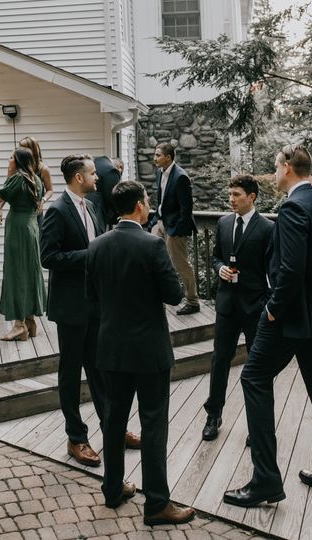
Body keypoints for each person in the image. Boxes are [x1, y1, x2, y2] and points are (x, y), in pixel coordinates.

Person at [223, 145, 312, 508]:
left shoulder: (294, 206)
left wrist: (274, 310)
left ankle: (265, 480)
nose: (273, 173)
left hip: (287, 316)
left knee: (253, 378)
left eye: (275, 166)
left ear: (288, 168)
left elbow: (291, 269)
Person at [86, 181, 195, 527]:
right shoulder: (152, 245)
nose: (149, 205)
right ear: (138, 205)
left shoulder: (97, 245)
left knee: (113, 420)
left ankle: (113, 489)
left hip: (112, 349)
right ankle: (157, 505)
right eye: (147, 201)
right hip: (149, 352)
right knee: (153, 424)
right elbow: (175, 295)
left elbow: (92, 298)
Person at [40, 155, 141, 468]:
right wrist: (91, 255)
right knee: (70, 374)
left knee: (101, 370)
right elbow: (49, 257)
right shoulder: (57, 210)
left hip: (96, 303)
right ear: (78, 178)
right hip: (70, 306)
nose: (98, 178)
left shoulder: (94, 206)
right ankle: (76, 437)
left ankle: (113, 428)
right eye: (93, 174)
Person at [202, 175, 273, 441]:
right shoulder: (223, 223)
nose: (231, 199)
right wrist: (220, 269)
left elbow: (272, 270)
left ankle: (258, 424)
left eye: (236, 195)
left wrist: (267, 303)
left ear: (252, 196)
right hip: (227, 305)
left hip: (255, 307)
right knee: (220, 360)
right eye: (230, 194)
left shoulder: (267, 228)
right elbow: (216, 257)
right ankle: (213, 415)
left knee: (257, 366)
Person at [0, 147, 47, 341]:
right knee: (28, 271)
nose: (8, 160)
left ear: (19, 161)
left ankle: (19, 325)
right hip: (31, 228)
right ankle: (30, 320)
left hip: (18, 230)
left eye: (11, 158)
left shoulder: (18, 178)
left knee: (16, 273)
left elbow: (1, 196)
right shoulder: (34, 179)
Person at [151, 143, 199, 314]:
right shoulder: (160, 173)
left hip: (175, 228)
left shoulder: (180, 177)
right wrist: (157, 220)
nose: (154, 158)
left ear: (168, 158)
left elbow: (187, 208)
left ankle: (192, 301)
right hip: (161, 223)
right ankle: (160, 296)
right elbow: (161, 200)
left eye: (157, 155)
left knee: (181, 264)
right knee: (154, 258)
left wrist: (177, 229)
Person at [0, 136, 54, 226]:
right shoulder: (17, 168)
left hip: (35, 213)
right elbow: (7, 191)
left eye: (22, 148)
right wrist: (0, 208)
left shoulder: (43, 169)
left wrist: (43, 200)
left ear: (32, 150)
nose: (19, 150)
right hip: (18, 214)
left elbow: (50, 190)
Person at [86, 154, 121, 231]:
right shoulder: (112, 171)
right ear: (120, 167)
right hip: (98, 209)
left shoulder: (97, 161)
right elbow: (112, 197)